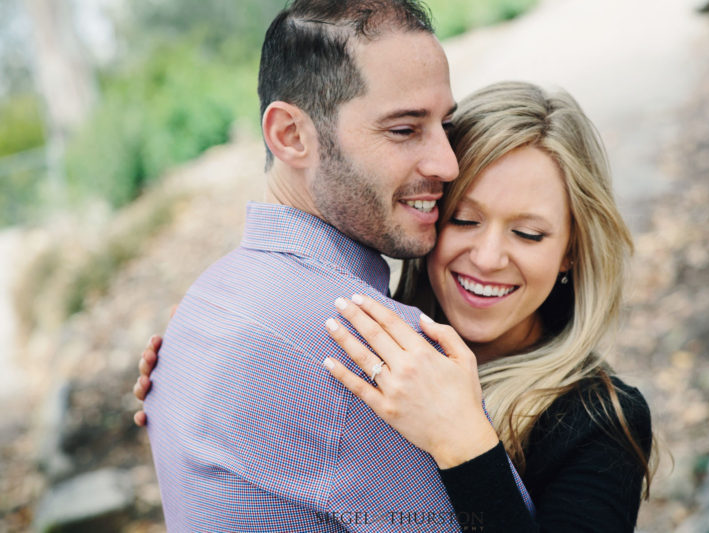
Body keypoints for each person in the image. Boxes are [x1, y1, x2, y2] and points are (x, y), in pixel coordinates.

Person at [136, 81, 654, 531]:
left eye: (528, 233)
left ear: (570, 250)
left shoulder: (601, 419)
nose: (489, 257)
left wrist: (466, 444)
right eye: (465, 221)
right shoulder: (359, 339)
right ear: (429, 214)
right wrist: (199, 384)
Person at [139, 1, 532, 531]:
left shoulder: (203, 304)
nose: (448, 163)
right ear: (291, 136)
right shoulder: (373, 353)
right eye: (403, 130)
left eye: (444, 124)